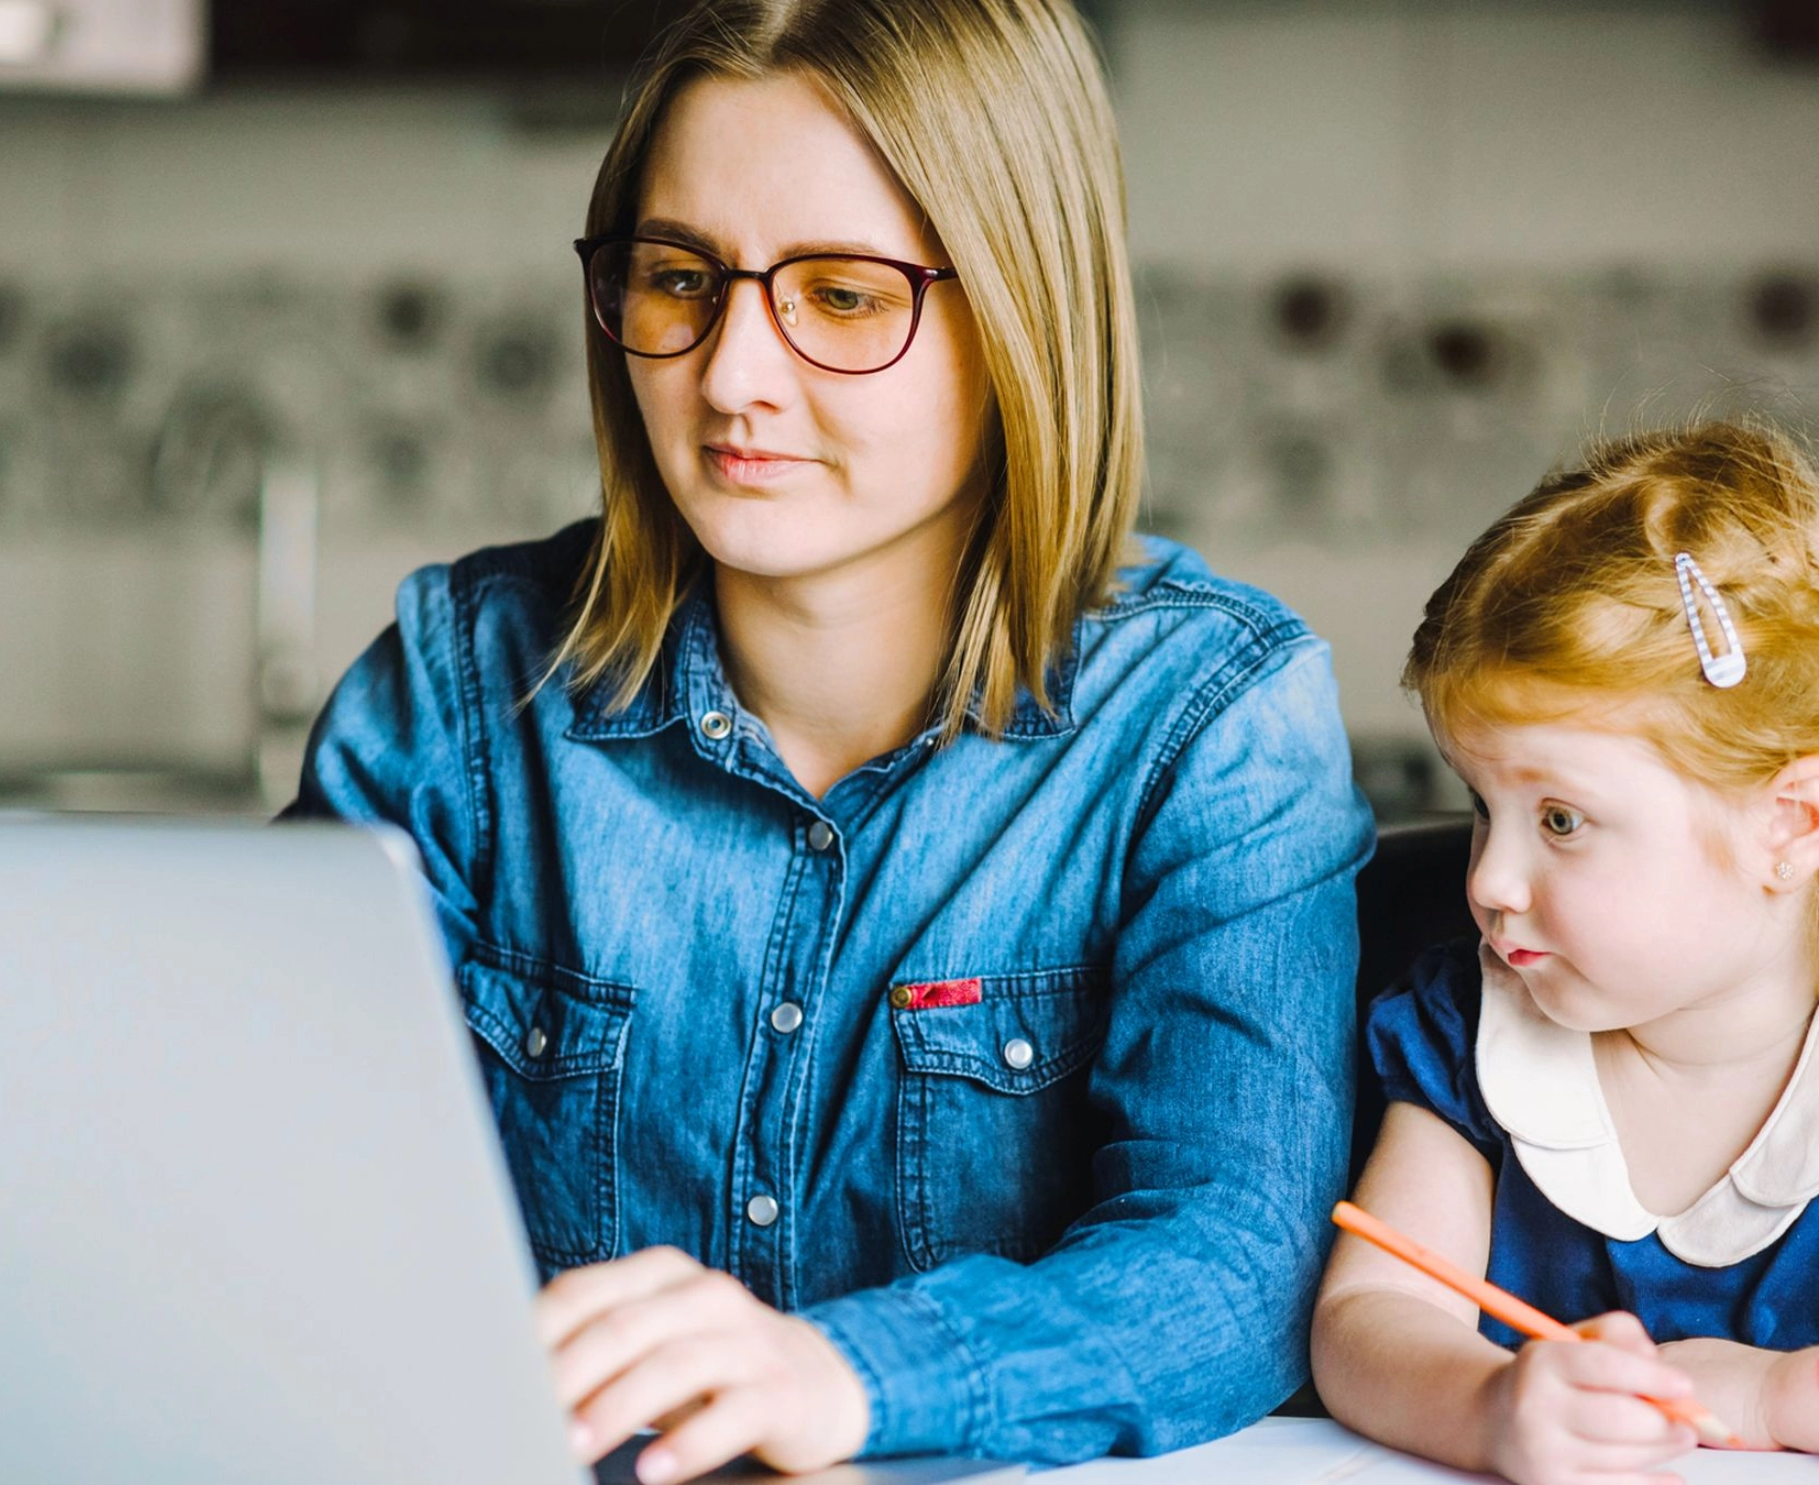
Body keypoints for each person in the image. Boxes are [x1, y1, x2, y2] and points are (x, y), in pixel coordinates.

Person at [285, 0, 1370, 1478]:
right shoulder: (459, 689)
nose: (730, 377)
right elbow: (273, 1202)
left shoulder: (1211, 716)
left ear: (1022, 312)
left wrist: (845, 1375)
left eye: (844, 296)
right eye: (680, 279)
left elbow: (1233, 1268)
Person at [1310, 420, 1819, 1485]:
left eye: (1560, 822)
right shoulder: (1470, 1029)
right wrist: (1489, 1406)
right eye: (1481, 805)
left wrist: (1769, 1393)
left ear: (1793, 826)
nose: (1489, 879)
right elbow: (1371, 1317)